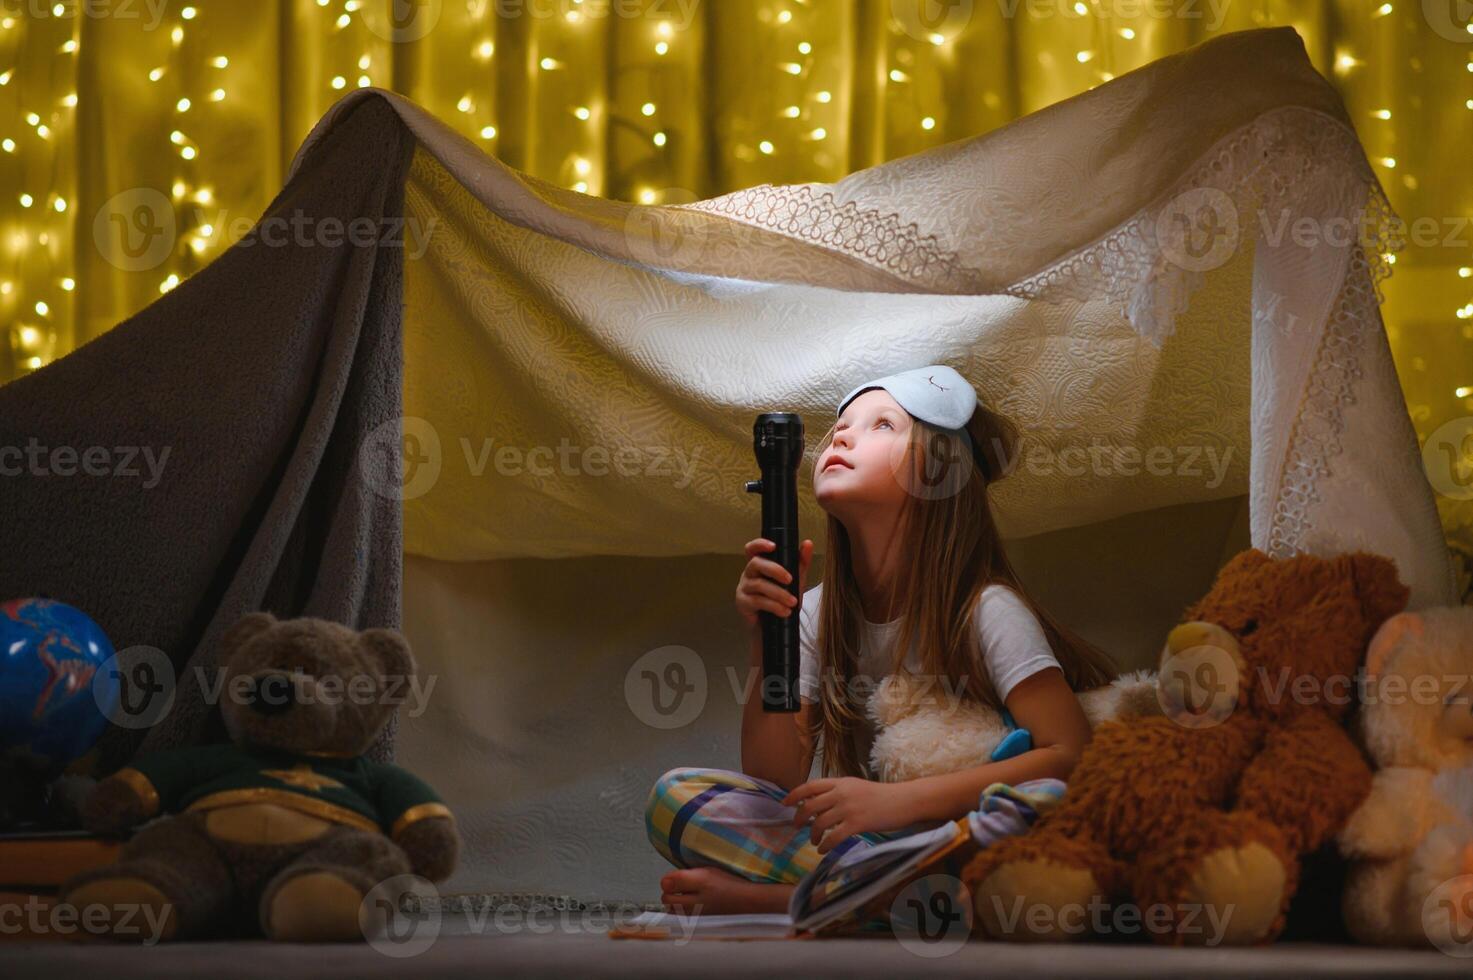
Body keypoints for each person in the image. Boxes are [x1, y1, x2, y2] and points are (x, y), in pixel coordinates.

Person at [645, 364, 1117, 916]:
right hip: (878, 850)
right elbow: (775, 780)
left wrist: (892, 802)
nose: (842, 434)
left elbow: (1070, 755)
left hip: (971, 838)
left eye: (882, 426)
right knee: (676, 800)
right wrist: (765, 639)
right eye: (842, 425)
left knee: (1047, 805)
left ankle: (784, 901)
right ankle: (894, 900)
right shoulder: (818, 613)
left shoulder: (985, 609)